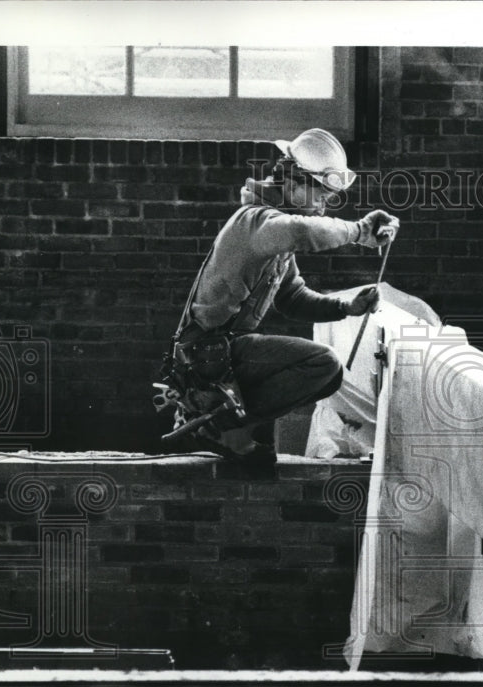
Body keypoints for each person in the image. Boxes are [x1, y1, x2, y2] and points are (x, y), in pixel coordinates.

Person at [161, 128, 399, 464]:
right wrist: (359, 231)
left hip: (221, 355)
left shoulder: (274, 233)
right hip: (206, 356)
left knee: (327, 375)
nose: (323, 206)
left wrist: (347, 307)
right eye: (320, 194)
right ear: (291, 181)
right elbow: (301, 231)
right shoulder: (256, 222)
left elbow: (292, 297)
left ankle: (221, 423)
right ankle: (217, 424)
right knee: (324, 364)